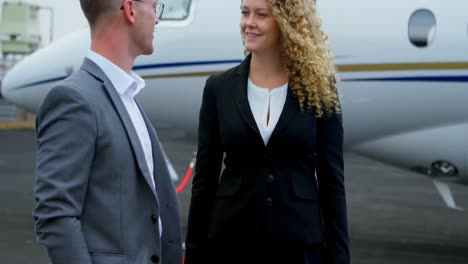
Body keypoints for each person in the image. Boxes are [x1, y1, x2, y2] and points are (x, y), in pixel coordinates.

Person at [184, 0, 349, 263]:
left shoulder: (320, 90)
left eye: (261, 15)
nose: (249, 23)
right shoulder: (219, 88)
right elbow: (204, 180)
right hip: (230, 243)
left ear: (287, 23)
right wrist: (194, 253)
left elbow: (332, 182)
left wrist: (339, 257)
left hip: (299, 246)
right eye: (244, 12)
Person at [32, 0, 182, 263]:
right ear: (130, 10)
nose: (157, 20)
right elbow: (55, 214)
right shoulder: (73, 99)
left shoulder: (127, 98)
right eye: (155, 7)